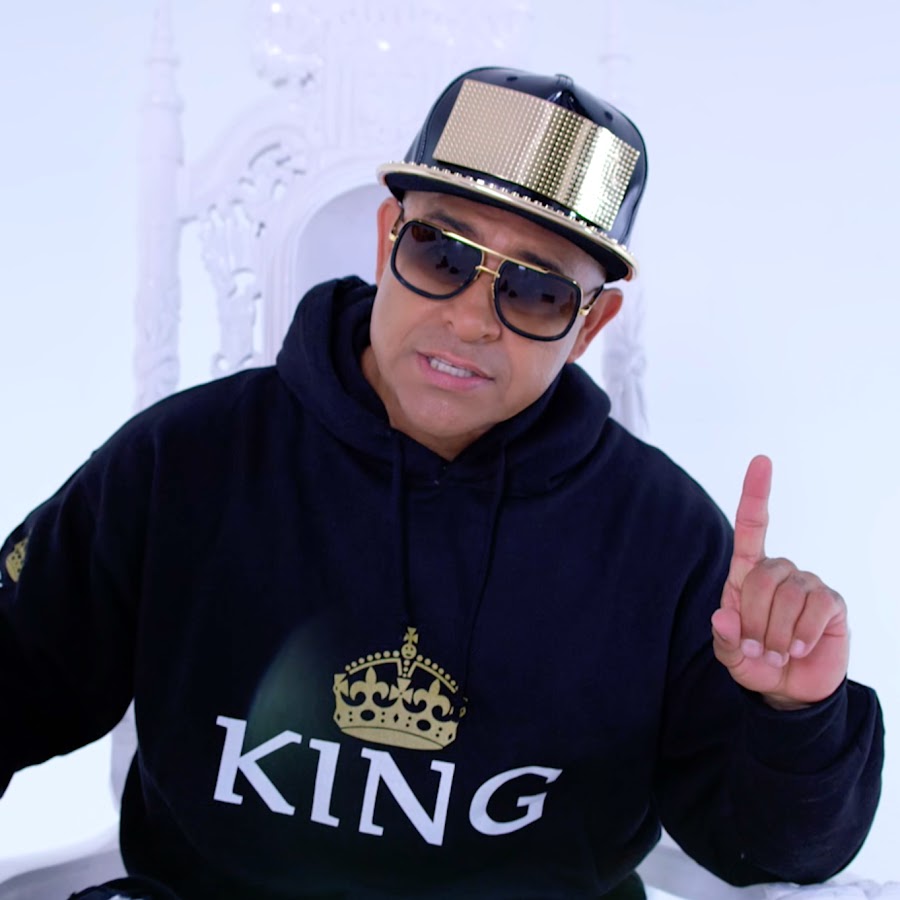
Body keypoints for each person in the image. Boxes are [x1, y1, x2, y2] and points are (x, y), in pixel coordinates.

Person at [0, 66, 884, 900]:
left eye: (536, 292)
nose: (469, 320)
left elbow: (774, 852)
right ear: (388, 236)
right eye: (441, 254)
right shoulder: (186, 461)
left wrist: (794, 715)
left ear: (590, 324)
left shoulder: (666, 541)